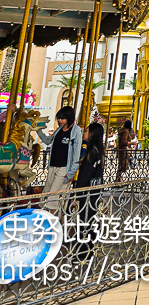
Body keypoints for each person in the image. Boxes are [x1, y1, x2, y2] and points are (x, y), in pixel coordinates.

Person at [75, 122, 105, 260]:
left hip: (87, 192)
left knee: (84, 221)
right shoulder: (97, 150)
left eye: (86, 131)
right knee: (89, 220)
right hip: (94, 191)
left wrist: (77, 190)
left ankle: (84, 251)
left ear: (92, 134)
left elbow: (86, 174)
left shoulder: (92, 152)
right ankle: (88, 249)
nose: (84, 133)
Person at [37, 106, 83, 194]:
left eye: (62, 118)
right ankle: (45, 207)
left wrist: (72, 172)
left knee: (54, 194)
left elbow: (76, 153)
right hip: (53, 164)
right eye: (59, 118)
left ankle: (52, 208)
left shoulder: (76, 131)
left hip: (64, 167)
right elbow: (48, 141)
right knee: (46, 192)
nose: (60, 120)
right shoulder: (59, 129)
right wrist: (38, 130)